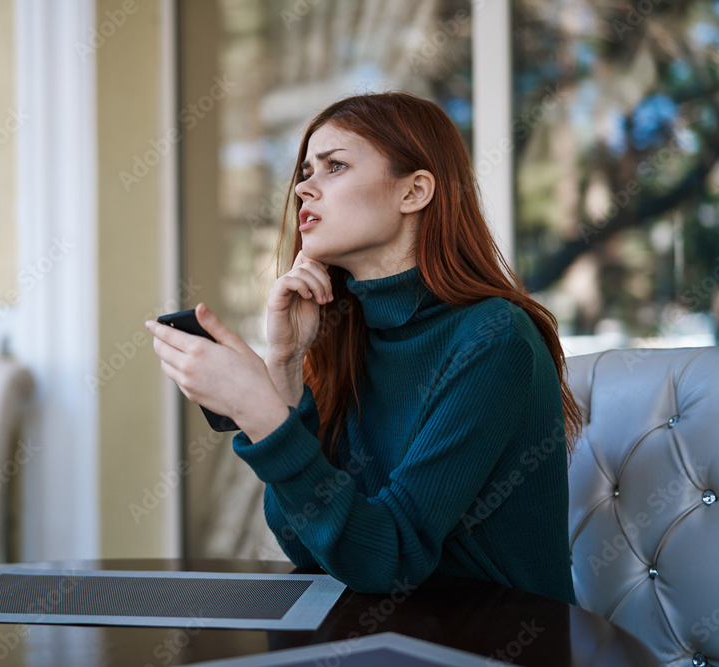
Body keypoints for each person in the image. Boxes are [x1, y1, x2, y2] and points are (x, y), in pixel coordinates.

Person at [145, 91, 582, 606]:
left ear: (414, 192)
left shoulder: (493, 339)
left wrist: (261, 415)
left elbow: (390, 558)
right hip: (390, 634)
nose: (304, 188)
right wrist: (284, 367)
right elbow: (308, 548)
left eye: (334, 166)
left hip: (500, 641)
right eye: (306, 170)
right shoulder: (348, 334)